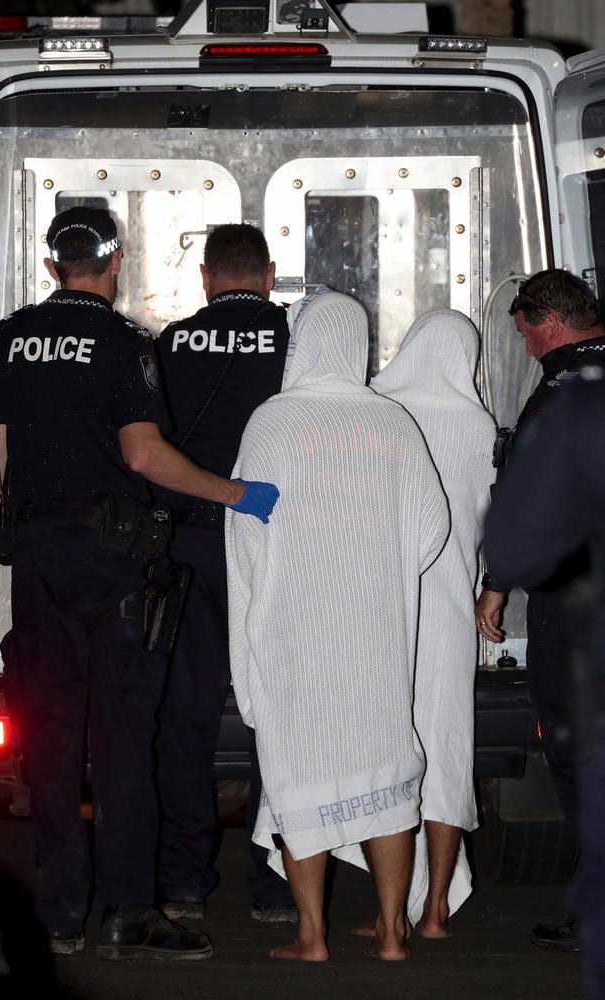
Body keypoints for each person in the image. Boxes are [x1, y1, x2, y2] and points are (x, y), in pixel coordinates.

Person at [0, 207, 278, 961]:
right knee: (123, 741)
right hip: (115, 563)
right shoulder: (124, 343)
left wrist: (29, 526)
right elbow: (143, 456)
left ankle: (62, 915)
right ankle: (131, 913)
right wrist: (237, 495)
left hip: (38, 563)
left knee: (49, 738)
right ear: (115, 266)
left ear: (52, 267)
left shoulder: (11, 338)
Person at [226, 289, 450, 961]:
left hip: (298, 631)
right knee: (386, 772)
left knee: (299, 769)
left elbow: (247, 525)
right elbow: (432, 530)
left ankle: (312, 935)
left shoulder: (274, 420)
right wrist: (379, 557)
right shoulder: (395, 423)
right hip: (377, 633)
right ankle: (390, 933)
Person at [155, 224, 295, 922]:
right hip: (276, 544)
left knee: (186, 716)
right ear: (269, 275)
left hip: (188, 547)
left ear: (206, 277)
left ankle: (184, 882)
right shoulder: (299, 342)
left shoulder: (170, 342)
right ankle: (273, 885)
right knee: (278, 715)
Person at [475, 268, 605, 952]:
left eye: (526, 331)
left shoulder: (559, 391)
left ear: (548, 322)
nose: (525, 346)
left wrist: (498, 583)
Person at [368, 309, 495, 936]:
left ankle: (390, 908)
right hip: (450, 609)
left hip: (385, 604)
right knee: (448, 750)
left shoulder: (380, 411)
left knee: (388, 746)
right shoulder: (477, 423)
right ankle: (436, 906)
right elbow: (488, 519)